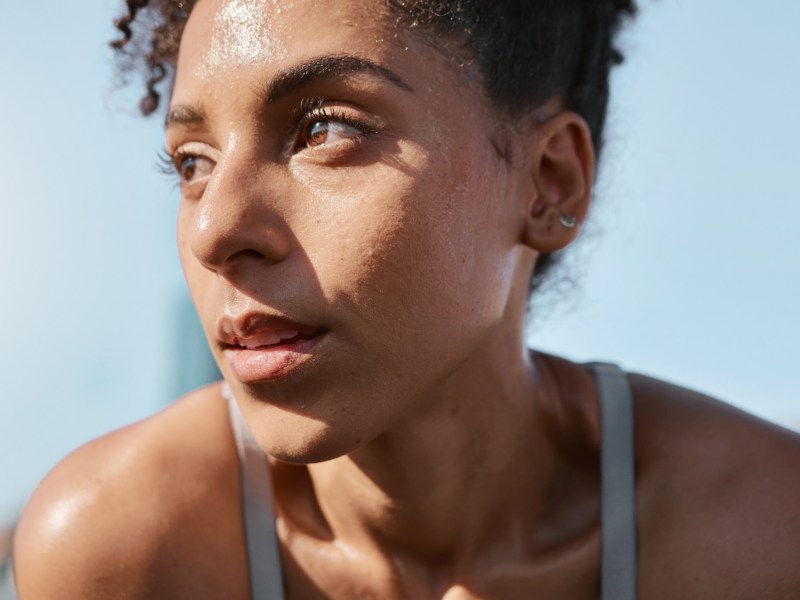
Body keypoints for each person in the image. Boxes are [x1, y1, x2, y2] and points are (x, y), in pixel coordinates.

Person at [12, 1, 800, 598]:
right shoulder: (121, 550)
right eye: (192, 163)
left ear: (549, 179)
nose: (216, 228)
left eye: (324, 129)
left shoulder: (762, 537)